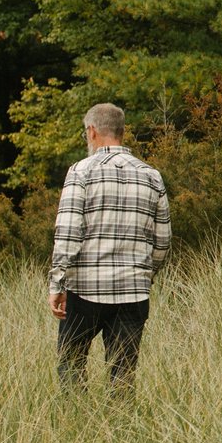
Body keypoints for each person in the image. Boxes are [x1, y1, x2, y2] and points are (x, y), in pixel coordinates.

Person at [46, 101, 171, 388]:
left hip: (85, 291)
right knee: (123, 376)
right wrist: (145, 274)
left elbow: (67, 234)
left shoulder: (80, 171)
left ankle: (77, 425)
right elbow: (163, 241)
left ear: (91, 131)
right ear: (121, 132)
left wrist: (57, 284)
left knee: (71, 367)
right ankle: (121, 429)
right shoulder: (152, 176)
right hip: (133, 291)